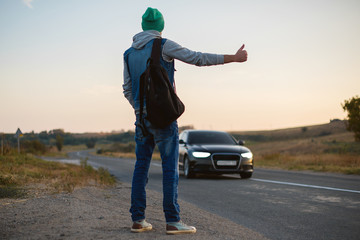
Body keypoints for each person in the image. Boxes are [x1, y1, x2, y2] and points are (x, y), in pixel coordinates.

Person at [123, 7, 247, 235]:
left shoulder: (129, 53)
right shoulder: (163, 45)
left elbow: (127, 89)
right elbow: (198, 58)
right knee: (170, 167)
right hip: (164, 118)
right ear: (160, 26)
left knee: (141, 167)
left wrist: (140, 110)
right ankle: (173, 221)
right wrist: (234, 58)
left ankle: (138, 220)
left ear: (142, 26)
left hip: (141, 119)